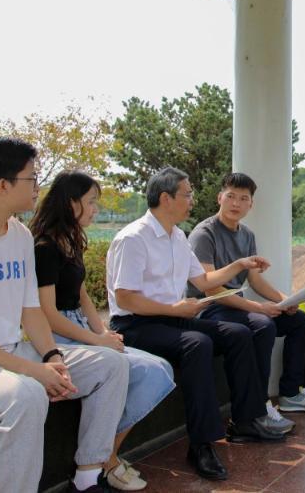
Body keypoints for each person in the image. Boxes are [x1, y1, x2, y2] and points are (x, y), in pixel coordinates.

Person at [0, 137, 129, 493]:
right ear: (3, 185)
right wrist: (32, 370)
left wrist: (52, 356)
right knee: (28, 394)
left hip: (12, 353)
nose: (37, 187)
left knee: (111, 365)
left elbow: (31, 310)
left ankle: (88, 475)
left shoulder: (18, 235)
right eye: (32, 178)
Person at [106, 167, 286, 482]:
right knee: (197, 343)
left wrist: (239, 265)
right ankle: (201, 444)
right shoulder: (134, 238)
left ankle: (246, 420)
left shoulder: (177, 236)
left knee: (238, 333)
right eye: (187, 194)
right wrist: (173, 309)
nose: (192, 200)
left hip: (172, 318)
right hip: (135, 324)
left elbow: (203, 281)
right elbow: (125, 298)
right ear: (166, 198)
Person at [30, 170, 176, 491]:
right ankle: (101, 463)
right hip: (58, 337)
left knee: (161, 370)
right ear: (71, 203)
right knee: (134, 368)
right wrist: (96, 340)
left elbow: (82, 295)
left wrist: (103, 332)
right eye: (91, 202)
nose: (96, 209)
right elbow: (48, 314)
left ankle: (107, 452)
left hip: (82, 330)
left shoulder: (71, 241)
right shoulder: (44, 248)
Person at [188, 173, 305, 433]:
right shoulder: (204, 234)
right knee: (262, 324)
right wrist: (259, 308)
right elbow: (210, 288)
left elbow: (256, 281)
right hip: (209, 309)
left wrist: (285, 300)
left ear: (251, 204)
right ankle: (257, 406)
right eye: (230, 196)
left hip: (233, 307)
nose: (236, 203)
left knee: (298, 320)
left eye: (243, 199)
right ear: (219, 197)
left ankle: (290, 394)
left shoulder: (247, 235)